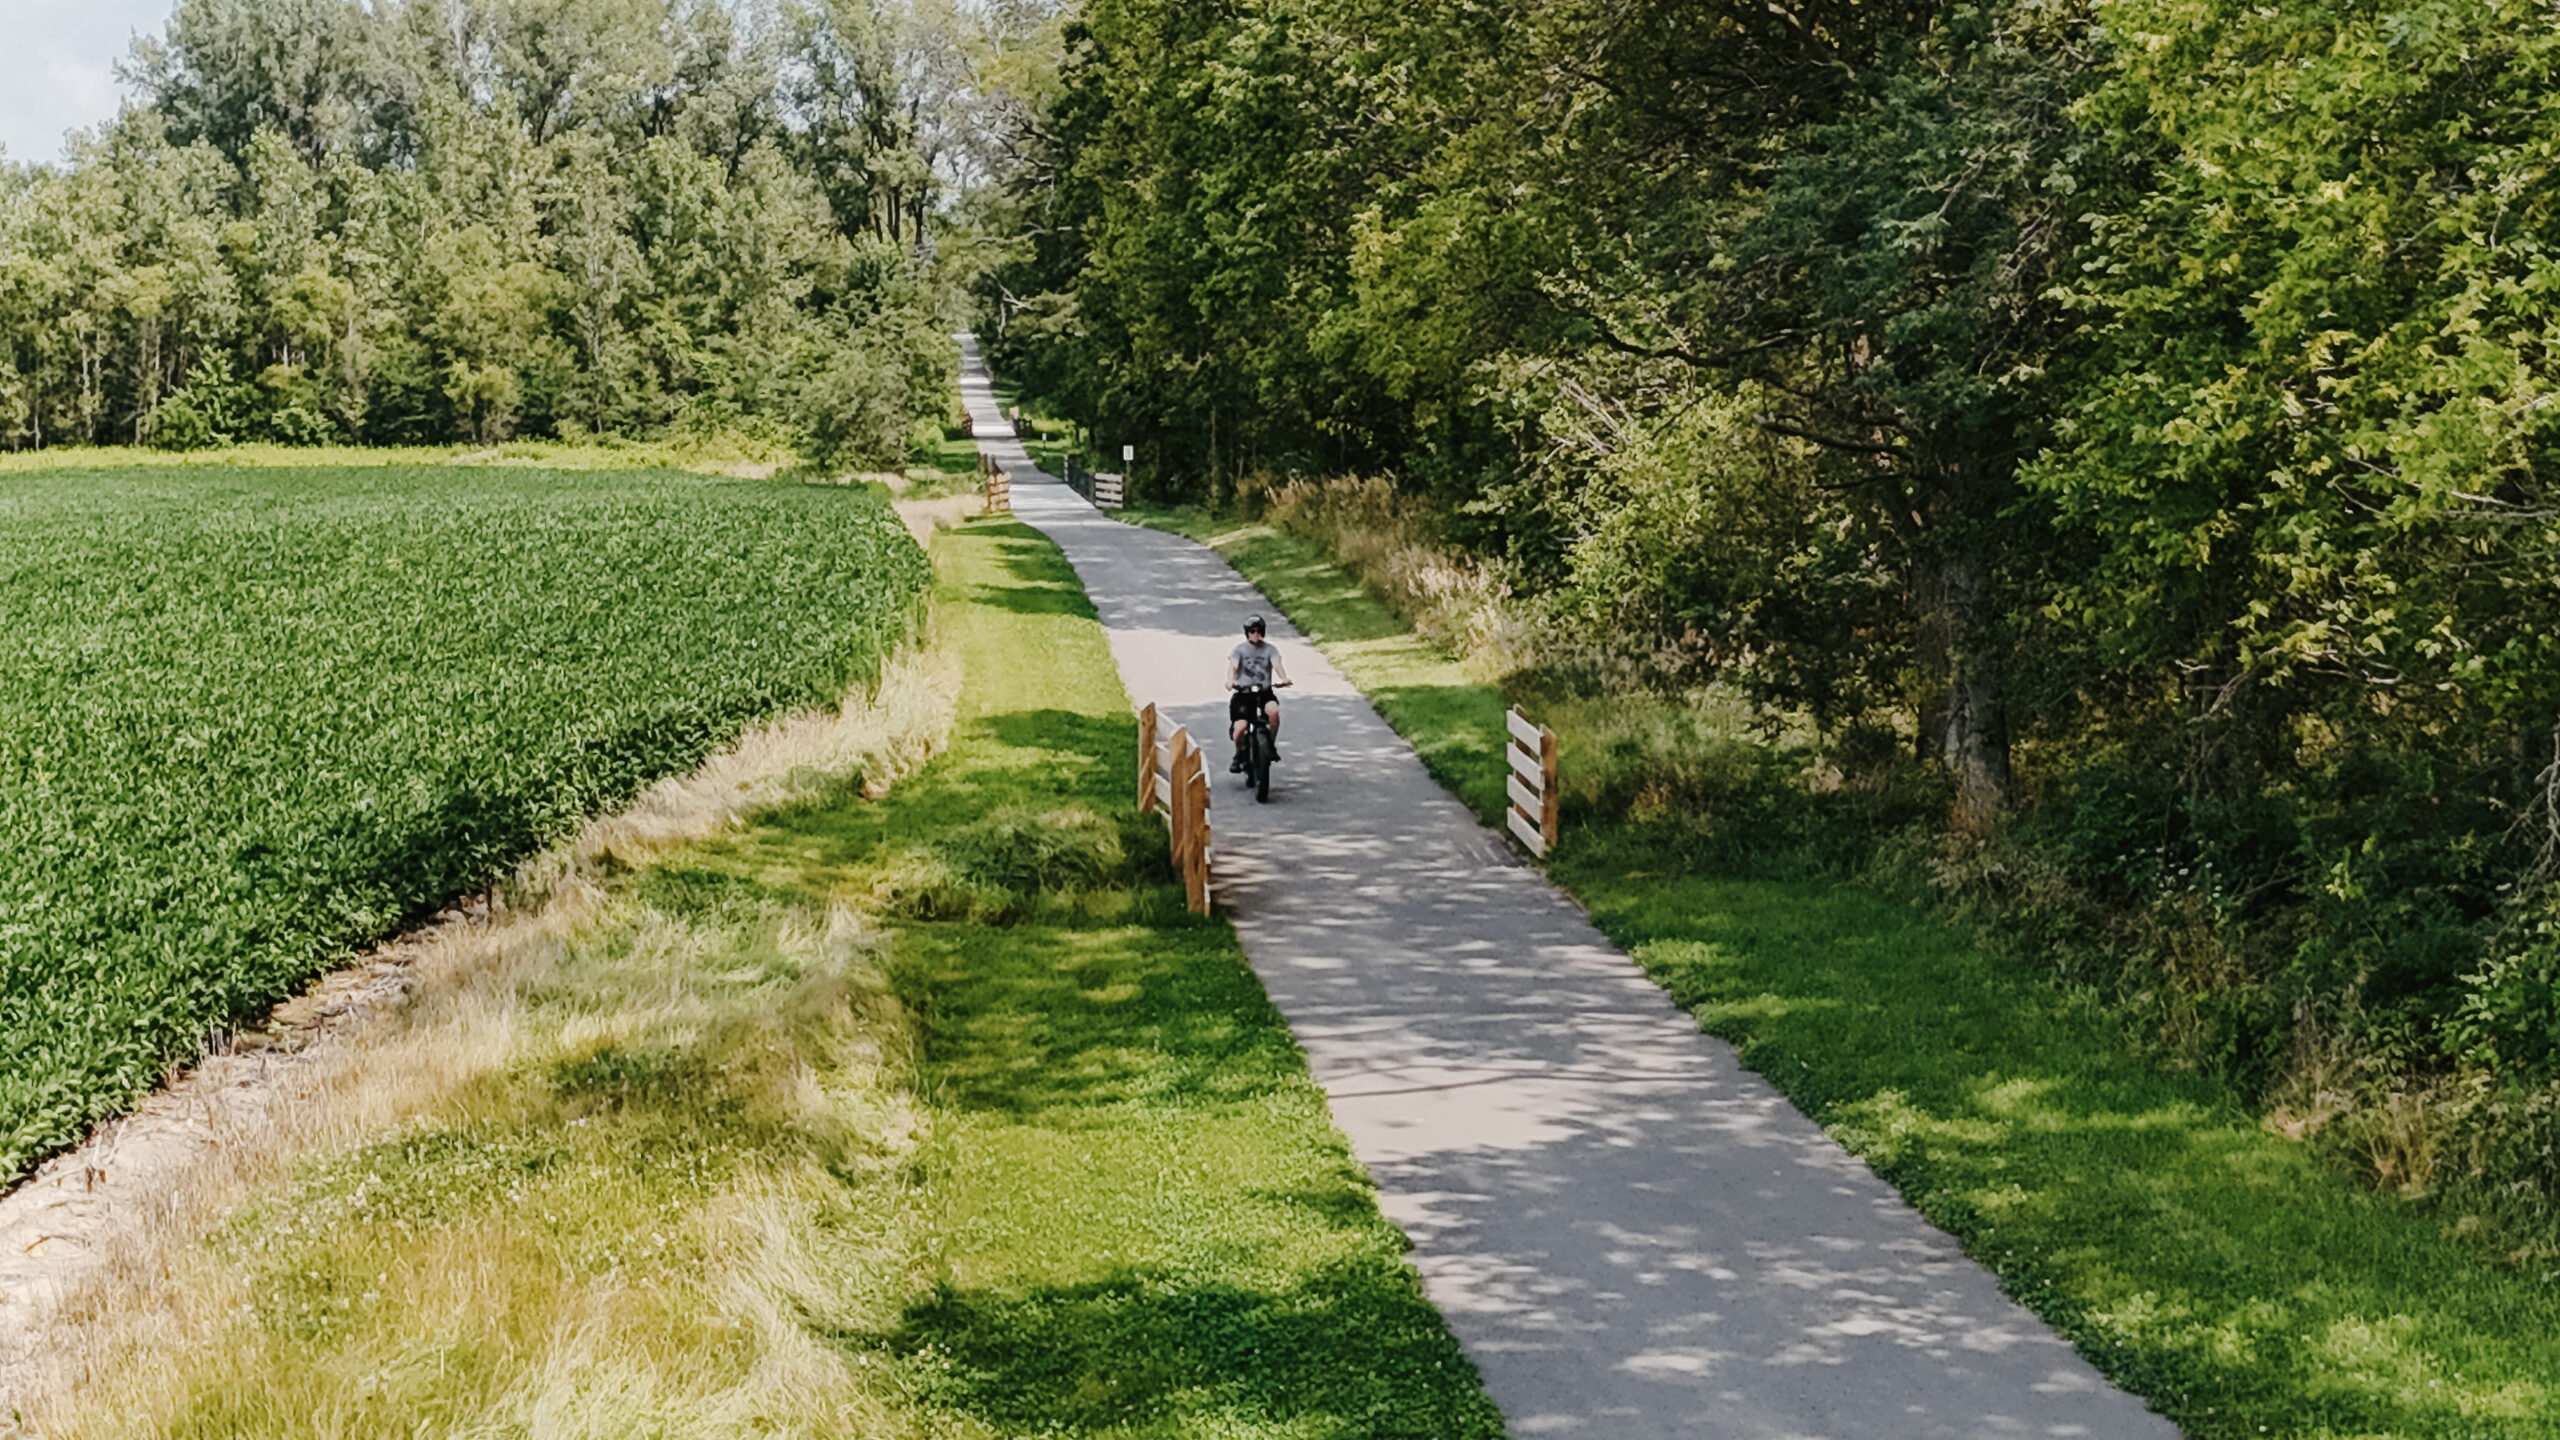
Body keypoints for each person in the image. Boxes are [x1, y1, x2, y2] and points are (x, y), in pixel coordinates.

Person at [1227, 614, 1292, 771]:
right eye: (1252, 631)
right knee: (1240, 728)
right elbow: (1233, 666)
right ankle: (1239, 754)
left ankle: (1270, 745)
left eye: (1258, 631)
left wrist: (1284, 678)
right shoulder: (1239, 650)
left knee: (1273, 712)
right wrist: (1230, 681)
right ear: (1247, 633)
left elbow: (1277, 664)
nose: (1255, 634)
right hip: (1243, 694)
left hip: (1264, 692)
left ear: (1263, 632)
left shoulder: (1270, 649)